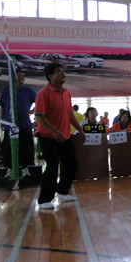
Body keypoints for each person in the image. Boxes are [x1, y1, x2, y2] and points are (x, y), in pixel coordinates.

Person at [34, 63, 85, 209]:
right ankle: (44, 200)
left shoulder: (66, 93)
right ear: (50, 76)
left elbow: (70, 114)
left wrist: (80, 130)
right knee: (52, 165)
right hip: (48, 137)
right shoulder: (43, 94)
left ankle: (62, 190)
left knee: (72, 164)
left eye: (63, 71)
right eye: (59, 72)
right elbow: (39, 117)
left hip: (65, 137)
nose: (63, 74)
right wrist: (54, 131)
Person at [0, 70, 36, 177]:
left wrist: (31, 112)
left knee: (26, 147)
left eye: (23, 76)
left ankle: (25, 168)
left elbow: (40, 102)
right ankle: (10, 169)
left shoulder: (28, 91)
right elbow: (2, 106)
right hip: (9, 124)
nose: (21, 78)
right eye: (19, 76)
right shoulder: (6, 90)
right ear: (13, 78)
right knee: (8, 147)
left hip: (24, 124)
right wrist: (2, 119)